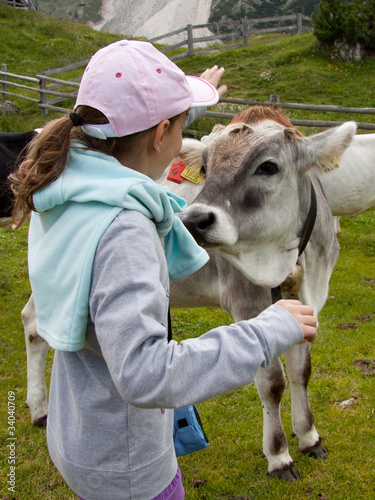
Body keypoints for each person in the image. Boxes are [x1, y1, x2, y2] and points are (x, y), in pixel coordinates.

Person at [10, 40, 317, 500]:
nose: (185, 143)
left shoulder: (68, 188)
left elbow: (142, 191)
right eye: (181, 129)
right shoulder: (124, 230)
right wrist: (265, 331)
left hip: (81, 436)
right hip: (131, 470)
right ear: (159, 134)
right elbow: (145, 373)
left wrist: (180, 104)